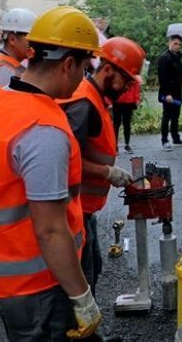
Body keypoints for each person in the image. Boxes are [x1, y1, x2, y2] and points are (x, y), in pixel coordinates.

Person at [0, 6, 104, 340]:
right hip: (37, 283)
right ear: (69, 64)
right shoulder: (43, 130)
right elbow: (51, 231)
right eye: (84, 67)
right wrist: (81, 295)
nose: (84, 78)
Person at [59, 37, 143, 296]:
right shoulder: (84, 104)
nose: (127, 88)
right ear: (108, 70)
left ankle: (89, 331)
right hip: (72, 210)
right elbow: (63, 160)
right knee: (82, 278)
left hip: (85, 209)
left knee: (93, 266)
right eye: (125, 81)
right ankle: (81, 332)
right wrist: (108, 172)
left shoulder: (96, 99)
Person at [0, 8, 37, 101]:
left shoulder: (8, 64)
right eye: (30, 39)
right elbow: (3, 109)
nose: (34, 43)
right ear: (12, 40)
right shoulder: (3, 70)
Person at [158, 35, 182, 151]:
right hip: (168, 92)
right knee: (167, 115)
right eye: (175, 43)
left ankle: (176, 137)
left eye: (179, 44)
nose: (177, 46)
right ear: (169, 43)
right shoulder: (164, 57)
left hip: (177, 91)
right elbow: (162, 78)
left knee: (176, 115)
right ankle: (164, 140)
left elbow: (180, 72)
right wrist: (167, 94)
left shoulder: (178, 57)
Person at [113, 80, 140, 154]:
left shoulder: (133, 74)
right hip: (117, 101)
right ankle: (114, 146)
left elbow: (136, 85)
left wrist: (137, 99)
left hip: (129, 102)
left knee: (127, 124)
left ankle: (127, 145)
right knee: (116, 125)